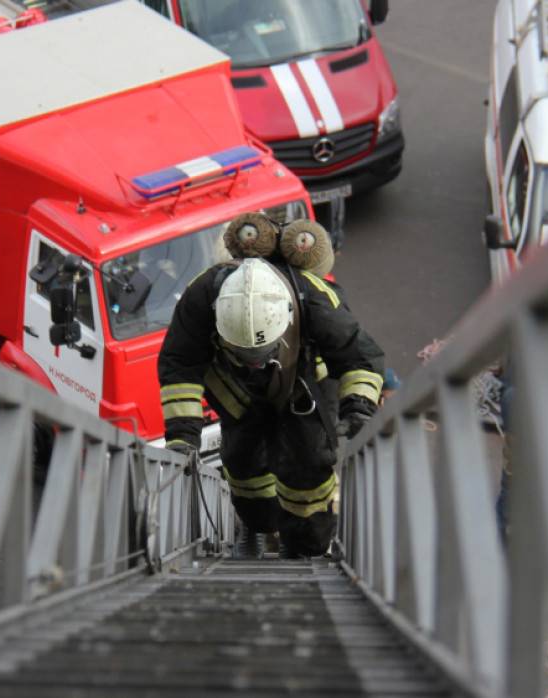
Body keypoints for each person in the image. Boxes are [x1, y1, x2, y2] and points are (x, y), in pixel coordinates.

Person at [157, 218, 384, 559]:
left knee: (309, 470)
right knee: (245, 468)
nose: (253, 361)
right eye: (243, 351)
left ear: (288, 316)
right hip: (239, 399)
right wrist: (182, 437)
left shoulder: (313, 299)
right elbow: (180, 364)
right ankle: (260, 526)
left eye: (259, 353)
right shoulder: (202, 297)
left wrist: (359, 407)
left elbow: (359, 356)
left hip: (301, 392)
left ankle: (305, 548)